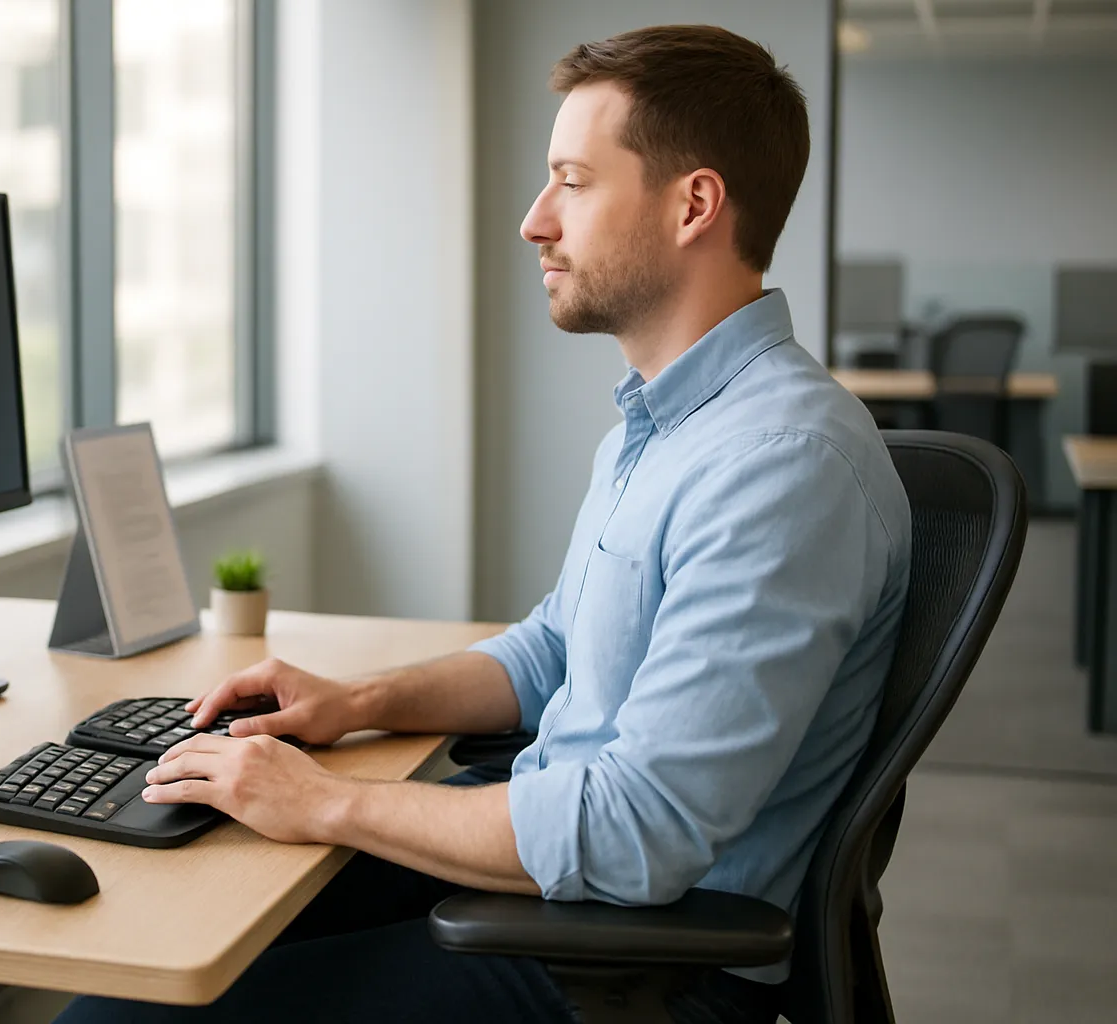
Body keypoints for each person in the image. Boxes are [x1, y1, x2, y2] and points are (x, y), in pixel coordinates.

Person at [55, 23, 910, 1024]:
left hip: (638, 962)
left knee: (131, 1015)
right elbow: (553, 649)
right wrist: (354, 700)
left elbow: (642, 832)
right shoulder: (666, 420)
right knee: (185, 919)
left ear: (694, 204)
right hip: (562, 888)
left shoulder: (781, 464)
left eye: (573, 181)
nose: (533, 221)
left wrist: (330, 799)